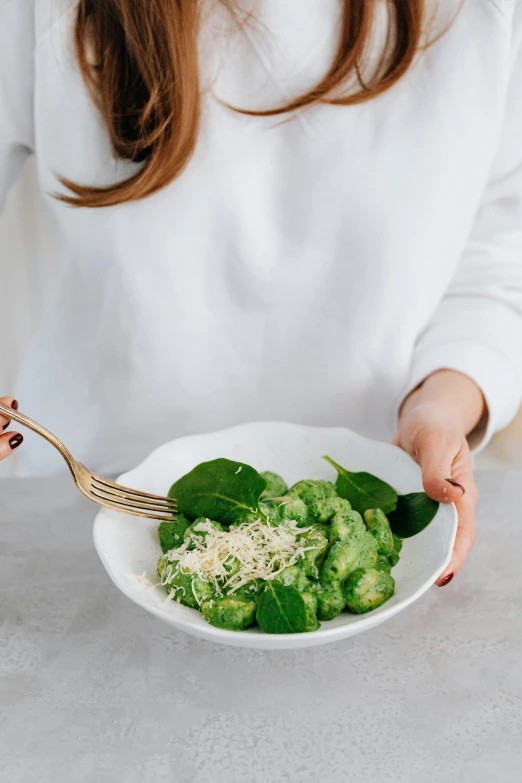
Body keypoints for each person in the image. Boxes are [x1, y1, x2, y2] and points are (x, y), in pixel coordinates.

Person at [1, 0, 522, 586]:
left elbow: (496, 265)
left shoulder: (487, 16)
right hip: (75, 507)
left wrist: (442, 406)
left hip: (377, 505)